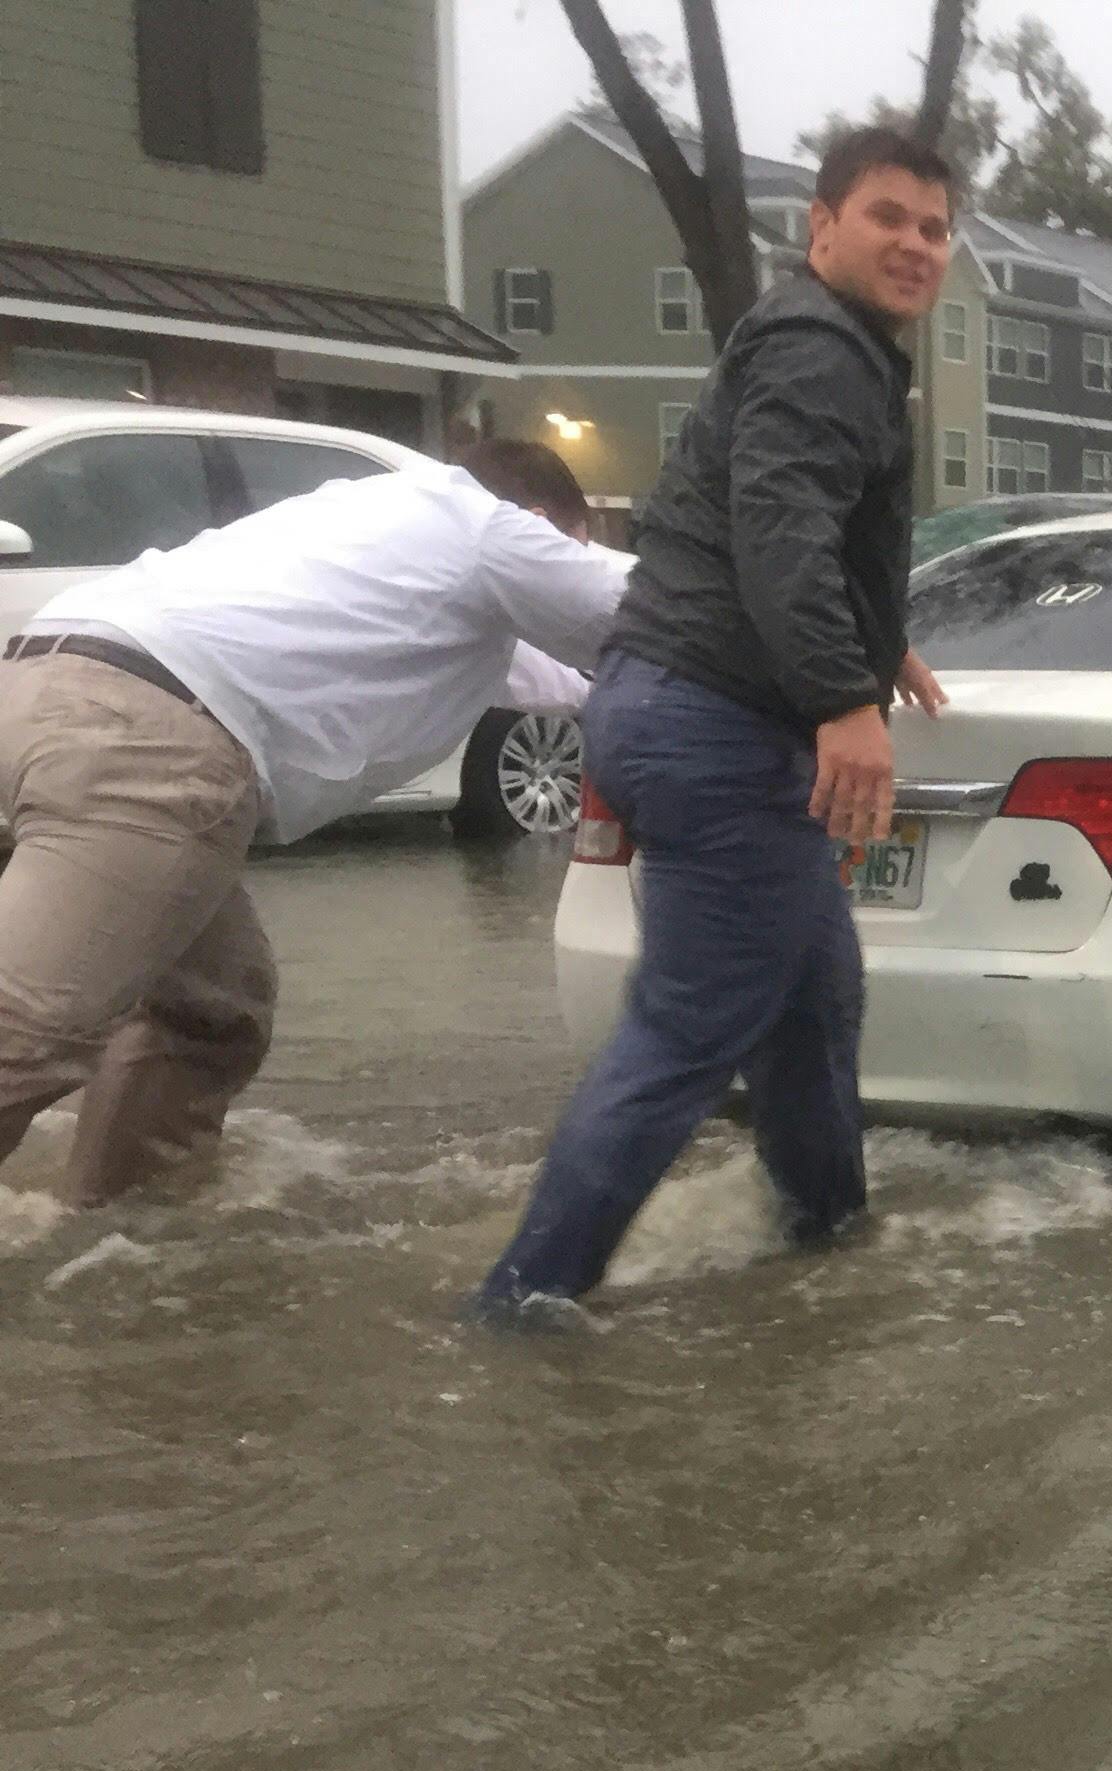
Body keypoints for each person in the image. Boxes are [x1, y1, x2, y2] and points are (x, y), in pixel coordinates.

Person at [474, 125, 955, 1320]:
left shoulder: (827, 349)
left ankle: (822, 1246)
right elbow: (779, 516)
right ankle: (523, 1305)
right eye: (887, 216)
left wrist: (871, 636)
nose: (915, 244)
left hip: (676, 702)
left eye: (936, 229)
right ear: (823, 227)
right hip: (717, 723)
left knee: (812, 1001)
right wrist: (845, 700)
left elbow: (761, 513)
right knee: (685, 1034)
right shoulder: (822, 348)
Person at [0, 438, 623, 1205]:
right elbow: (660, 616)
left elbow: (567, 677)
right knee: (28, 1031)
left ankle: (124, 1233)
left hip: (50, 688)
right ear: (536, 524)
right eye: (569, 549)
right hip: (152, 744)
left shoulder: (386, 524)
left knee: (215, 1010)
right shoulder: (486, 528)